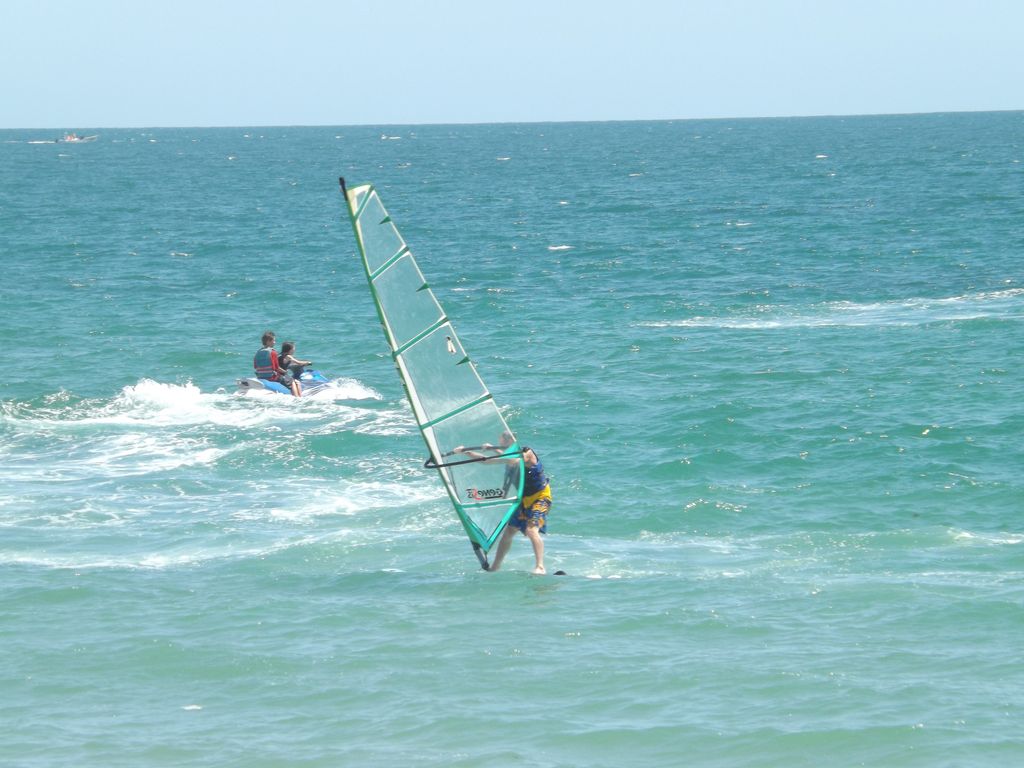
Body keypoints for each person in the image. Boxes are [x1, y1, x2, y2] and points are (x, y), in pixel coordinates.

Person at [456, 434, 552, 575]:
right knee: (508, 532)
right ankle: (495, 567)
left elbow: (514, 460)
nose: (501, 444)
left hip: (540, 498)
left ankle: (540, 567)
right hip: (524, 500)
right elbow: (486, 461)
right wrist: (466, 452)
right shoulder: (508, 458)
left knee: (532, 530)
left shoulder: (527, 452)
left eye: (505, 443)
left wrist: (492, 450)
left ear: (513, 442)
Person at [253, 330, 301, 397]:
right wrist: (285, 372)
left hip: (260, 376)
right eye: (273, 340)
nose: (274, 342)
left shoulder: (258, 352)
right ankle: (297, 398)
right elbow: (276, 368)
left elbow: (255, 366)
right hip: (271, 377)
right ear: (268, 341)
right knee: (292, 381)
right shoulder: (272, 352)